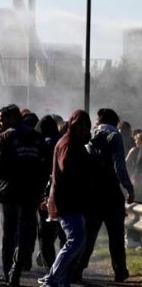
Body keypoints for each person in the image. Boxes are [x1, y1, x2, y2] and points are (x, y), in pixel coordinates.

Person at [0, 104, 45, 287]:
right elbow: (44, 167)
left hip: (10, 192)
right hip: (31, 192)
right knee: (25, 233)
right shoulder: (36, 137)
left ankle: (7, 271)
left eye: (1, 119)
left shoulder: (6, 137)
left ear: (13, 119)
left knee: (9, 234)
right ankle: (15, 269)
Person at [75, 108, 135, 283]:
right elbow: (119, 166)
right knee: (116, 235)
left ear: (100, 119)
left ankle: (78, 268)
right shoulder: (114, 135)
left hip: (91, 193)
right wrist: (129, 188)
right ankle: (120, 271)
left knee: (89, 234)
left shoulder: (89, 135)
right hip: (110, 192)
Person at [38, 110, 95, 287]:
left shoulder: (72, 142)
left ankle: (60, 280)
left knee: (77, 243)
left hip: (71, 201)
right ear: (73, 125)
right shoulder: (69, 144)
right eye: (80, 126)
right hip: (68, 201)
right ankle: (52, 278)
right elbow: (69, 170)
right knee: (76, 241)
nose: (84, 130)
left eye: (86, 127)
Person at [35, 116, 66, 270]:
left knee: (46, 236)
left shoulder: (40, 143)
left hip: (47, 194)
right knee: (64, 234)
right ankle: (64, 268)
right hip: (66, 193)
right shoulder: (65, 142)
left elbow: (38, 172)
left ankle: (51, 270)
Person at [126, 132, 142, 200]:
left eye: (136, 140)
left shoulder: (134, 150)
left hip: (136, 176)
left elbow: (126, 162)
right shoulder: (134, 150)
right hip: (136, 176)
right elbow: (126, 162)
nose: (135, 141)